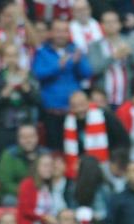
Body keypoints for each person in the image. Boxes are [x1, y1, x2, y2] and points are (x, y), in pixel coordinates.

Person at [32, 19, 92, 150]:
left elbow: (87, 73)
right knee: (56, 151)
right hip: (53, 113)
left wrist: (78, 62)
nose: (61, 34)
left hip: (75, 112)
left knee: (78, 149)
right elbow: (37, 73)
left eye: (64, 31)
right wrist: (58, 66)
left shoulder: (75, 50)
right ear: (51, 33)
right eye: (58, 31)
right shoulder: (42, 52)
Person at [0, 43, 41, 161]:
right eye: (9, 56)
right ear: (4, 58)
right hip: (3, 127)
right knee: (2, 160)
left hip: (25, 126)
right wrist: (5, 92)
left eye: (15, 55)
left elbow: (38, 101)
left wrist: (26, 87)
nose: (12, 59)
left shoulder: (29, 76)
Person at [63, 91, 130, 178]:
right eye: (75, 106)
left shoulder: (105, 115)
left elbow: (124, 140)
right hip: (82, 169)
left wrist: (116, 161)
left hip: (108, 164)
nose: (79, 110)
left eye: (82, 105)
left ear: (89, 102)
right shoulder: (68, 122)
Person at [88, 10, 134, 109]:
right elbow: (94, 69)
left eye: (113, 22)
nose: (111, 25)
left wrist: (130, 55)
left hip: (127, 98)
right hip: (103, 100)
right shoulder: (94, 46)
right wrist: (113, 57)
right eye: (107, 22)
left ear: (120, 24)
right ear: (102, 25)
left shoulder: (131, 42)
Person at [0, 124, 48, 206]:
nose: (28, 140)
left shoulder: (45, 154)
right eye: (24, 137)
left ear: (37, 137)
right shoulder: (9, 155)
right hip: (16, 194)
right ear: (18, 139)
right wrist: (27, 192)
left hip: (41, 192)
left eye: (31, 136)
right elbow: (5, 183)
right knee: (9, 200)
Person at [17, 153, 57, 224]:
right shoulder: (27, 184)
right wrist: (44, 218)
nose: (49, 169)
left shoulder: (49, 186)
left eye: (51, 165)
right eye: (45, 166)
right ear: (37, 167)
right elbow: (25, 210)